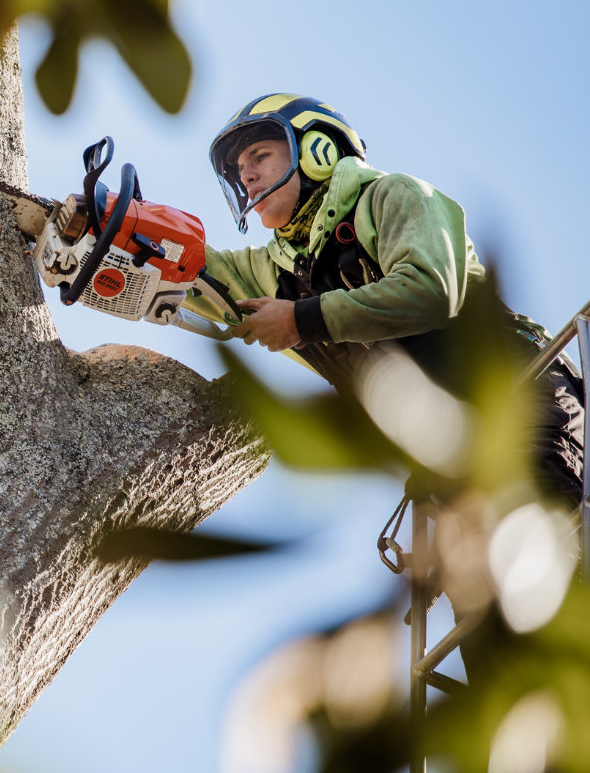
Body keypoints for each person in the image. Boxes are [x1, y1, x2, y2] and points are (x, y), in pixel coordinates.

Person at [184, 93, 584, 505]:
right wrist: (121, 226)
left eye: (259, 155)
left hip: (521, 396)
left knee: (550, 532)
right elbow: (190, 267)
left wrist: (300, 320)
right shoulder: (279, 269)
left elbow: (430, 290)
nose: (245, 175)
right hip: (451, 457)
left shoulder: (392, 196)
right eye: (238, 169)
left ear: (317, 150)